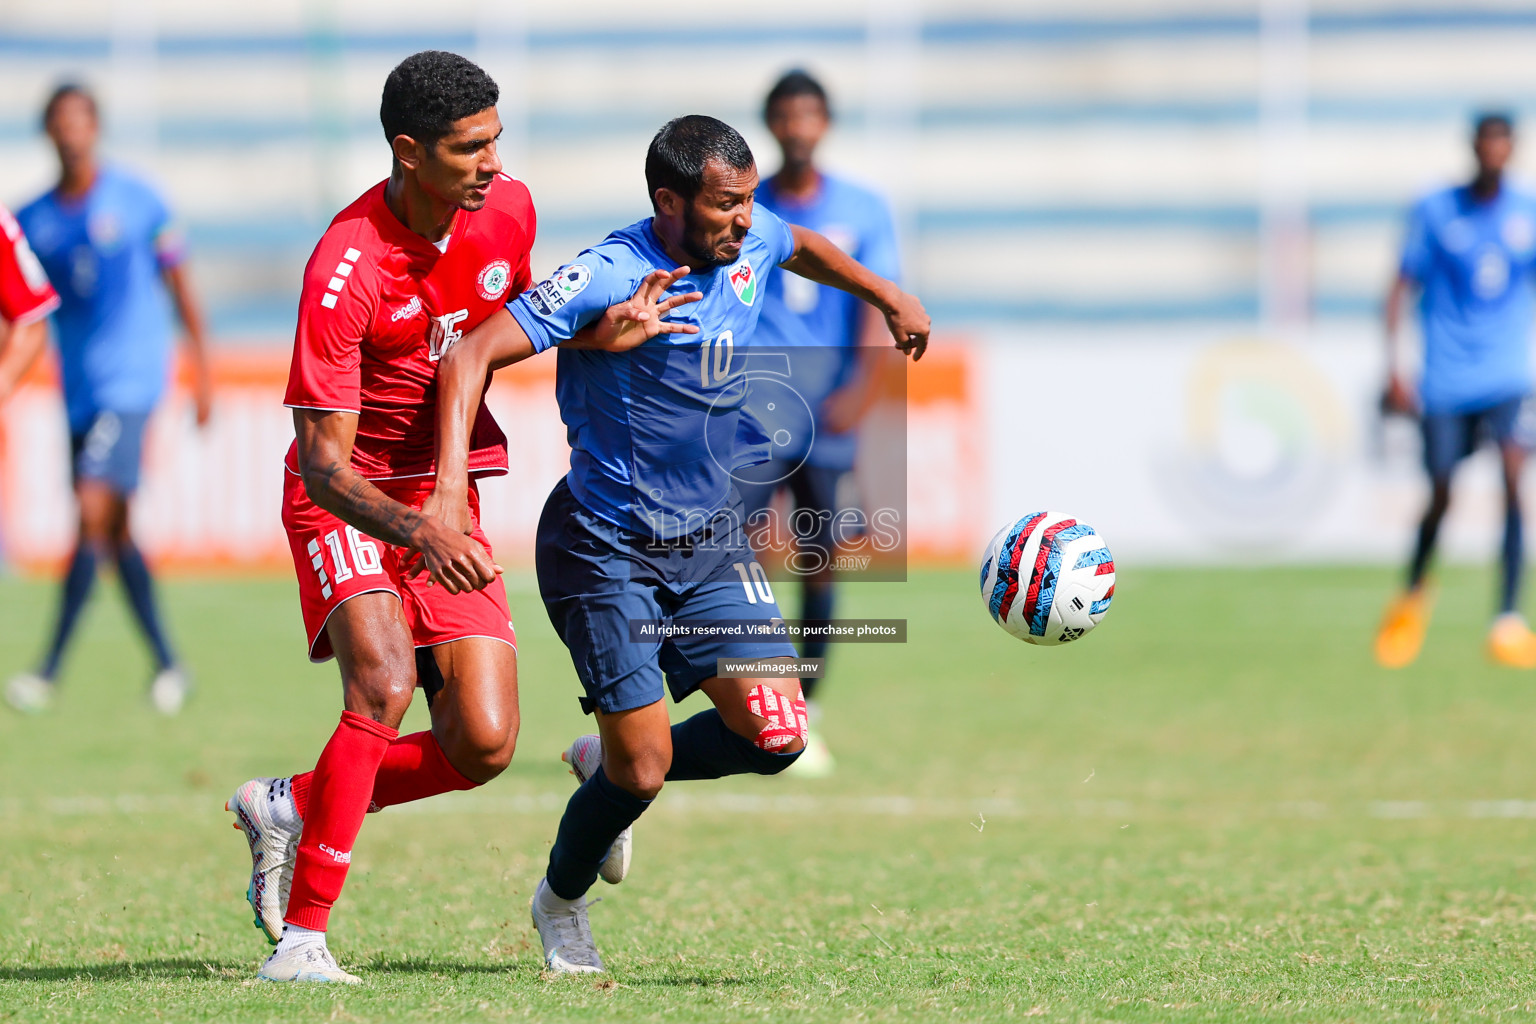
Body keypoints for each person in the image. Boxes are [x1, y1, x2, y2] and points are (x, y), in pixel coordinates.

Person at [223, 51, 700, 985]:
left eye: (495, 141)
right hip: (350, 501)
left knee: (482, 742)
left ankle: (288, 805)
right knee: (383, 682)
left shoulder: (506, 211)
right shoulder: (343, 268)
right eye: (468, 147)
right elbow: (322, 468)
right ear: (409, 151)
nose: (491, 163)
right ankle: (304, 942)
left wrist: (607, 331)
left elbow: (508, 334)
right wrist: (419, 530)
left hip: (448, 498)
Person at [433, 114, 929, 974]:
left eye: (745, 203)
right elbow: (469, 355)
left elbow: (798, 241)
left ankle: (606, 757)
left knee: (779, 736)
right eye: (724, 206)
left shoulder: (750, 236)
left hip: (710, 540)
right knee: (646, 771)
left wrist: (886, 295)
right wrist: (447, 495)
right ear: (668, 201)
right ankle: (560, 901)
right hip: (605, 545)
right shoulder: (610, 273)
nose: (743, 220)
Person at [6, 83, 212, 716]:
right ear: (47, 131)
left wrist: (202, 368)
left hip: (133, 384)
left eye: (80, 120)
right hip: (79, 394)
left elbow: (180, 283)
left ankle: (47, 669)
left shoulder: (140, 200)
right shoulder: (32, 219)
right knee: (115, 533)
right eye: (59, 122)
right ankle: (169, 663)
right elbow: (21, 307)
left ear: (94, 127)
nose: (70, 132)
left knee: (92, 513)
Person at [733, 70, 902, 777]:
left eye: (809, 114)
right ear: (771, 123)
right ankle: (749, 701)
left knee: (822, 555)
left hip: (828, 414)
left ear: (824, 122)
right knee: (734, 552)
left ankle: (808, 706)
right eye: (786, 115)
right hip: (752, 413)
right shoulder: (749, 205)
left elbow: (874, 293)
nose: (798, 127)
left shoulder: (863, 206)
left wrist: (862, 384)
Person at [1375, 112, 1536, 669]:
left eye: (1502, 145)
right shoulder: (1437, 210)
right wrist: (1394, 365)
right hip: (1445, 379)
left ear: (1511, 150)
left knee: (1516, 477)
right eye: (1486, 144)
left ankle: (1508, 621)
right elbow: (1400, 285)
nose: (1494, 153)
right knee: (1441, 492)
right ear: (1474, 148)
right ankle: (1413, 596)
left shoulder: (1527, 213)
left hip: (1507, 377)